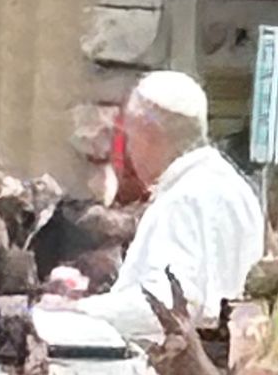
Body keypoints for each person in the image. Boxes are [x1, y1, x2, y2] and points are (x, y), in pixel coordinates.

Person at [86, 73, 266, 345]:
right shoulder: (234, 187)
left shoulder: (185, 198)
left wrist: (79, 312)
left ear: (150, 134)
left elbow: (169, 305)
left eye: (131, 139)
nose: (131, 153)